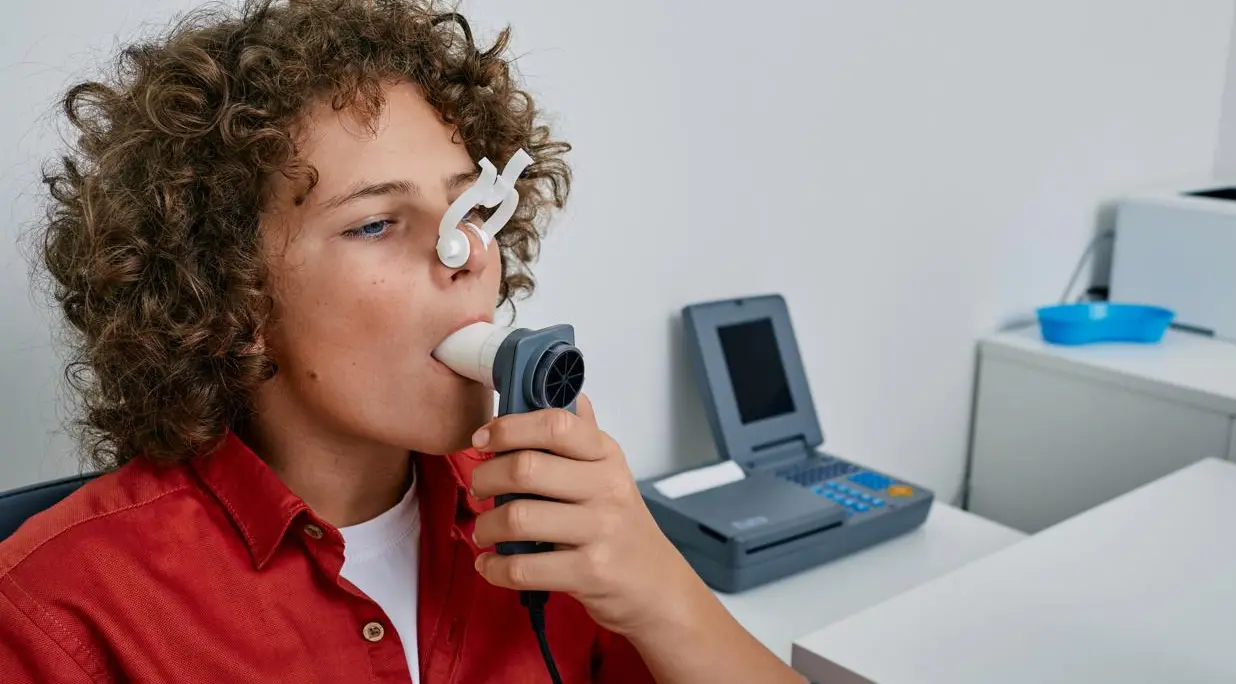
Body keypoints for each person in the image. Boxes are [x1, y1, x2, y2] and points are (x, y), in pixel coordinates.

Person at [0, 1, 804, 682]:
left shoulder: (554, 517)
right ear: (229, 297)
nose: (465, 258)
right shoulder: (57, 614)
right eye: (377, 223)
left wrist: (659, 585)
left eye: (469, 211)